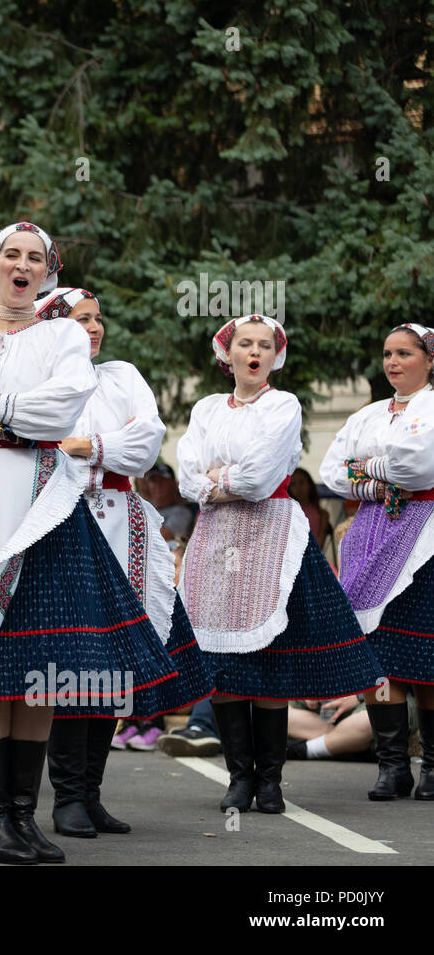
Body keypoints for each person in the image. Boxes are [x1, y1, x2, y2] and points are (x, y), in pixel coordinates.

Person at [0, 222, 188, 865]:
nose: (22, 265)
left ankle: (22, 818)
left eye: (36, 258)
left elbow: (59, 412)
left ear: (47, 273)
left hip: (45, 505)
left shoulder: (62, 336)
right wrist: (0, 412)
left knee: (40, 673)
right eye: (12, 255)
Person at [176, 314, 382, 815]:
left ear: (274, 355)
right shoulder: (205, 408)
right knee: (219, 659)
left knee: (268, 658)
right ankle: (238, 777)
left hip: (270, 533)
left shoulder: (283, 404)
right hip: (216, 537)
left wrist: (219, 480)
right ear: (226, 352)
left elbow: (259, 475)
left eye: (263, 345)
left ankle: (269, 780)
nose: (253, 351)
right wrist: (218, 482)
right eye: (243, 343)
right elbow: (187, 475)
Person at [38, 286, 213, 836]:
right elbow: (39, 442)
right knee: (75, 661)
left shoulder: (121, 376)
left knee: (113, 662)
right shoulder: (41, 378)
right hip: (62, 525)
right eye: (80, 320)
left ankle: (90, 794)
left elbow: (146, 442)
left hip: (120, 524)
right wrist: (96, 443)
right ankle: (67, 796)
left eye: (97, 319)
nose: (94, 328)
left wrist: (82, 445)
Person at [319, 322, 434, 800]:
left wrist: (365, 470)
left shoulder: (431, 407)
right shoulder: (367, 415)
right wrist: (381, 481)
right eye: (388, 353)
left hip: (424, 534)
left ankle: (431, 765)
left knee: (424, 656)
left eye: (405, 353)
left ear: (429, 359)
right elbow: (331, 471)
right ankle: (392, 766)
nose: (392, 362)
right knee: (380, 653)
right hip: (370, 534)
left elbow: (419, 466)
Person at [289, 467, 336, 568]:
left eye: (302, 483)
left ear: (310, 485)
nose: (298, 488)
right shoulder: (288, 512)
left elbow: (320, 546)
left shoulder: (322, 514)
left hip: (315, 562)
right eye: (293, 484)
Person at [144, 463, 196, 542]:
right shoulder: (143, 506)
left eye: (163, 480)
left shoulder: (182, 512)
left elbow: (164, 537)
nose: (158, 485)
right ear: (148, 485)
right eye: (153, 481)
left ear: (173, 484)